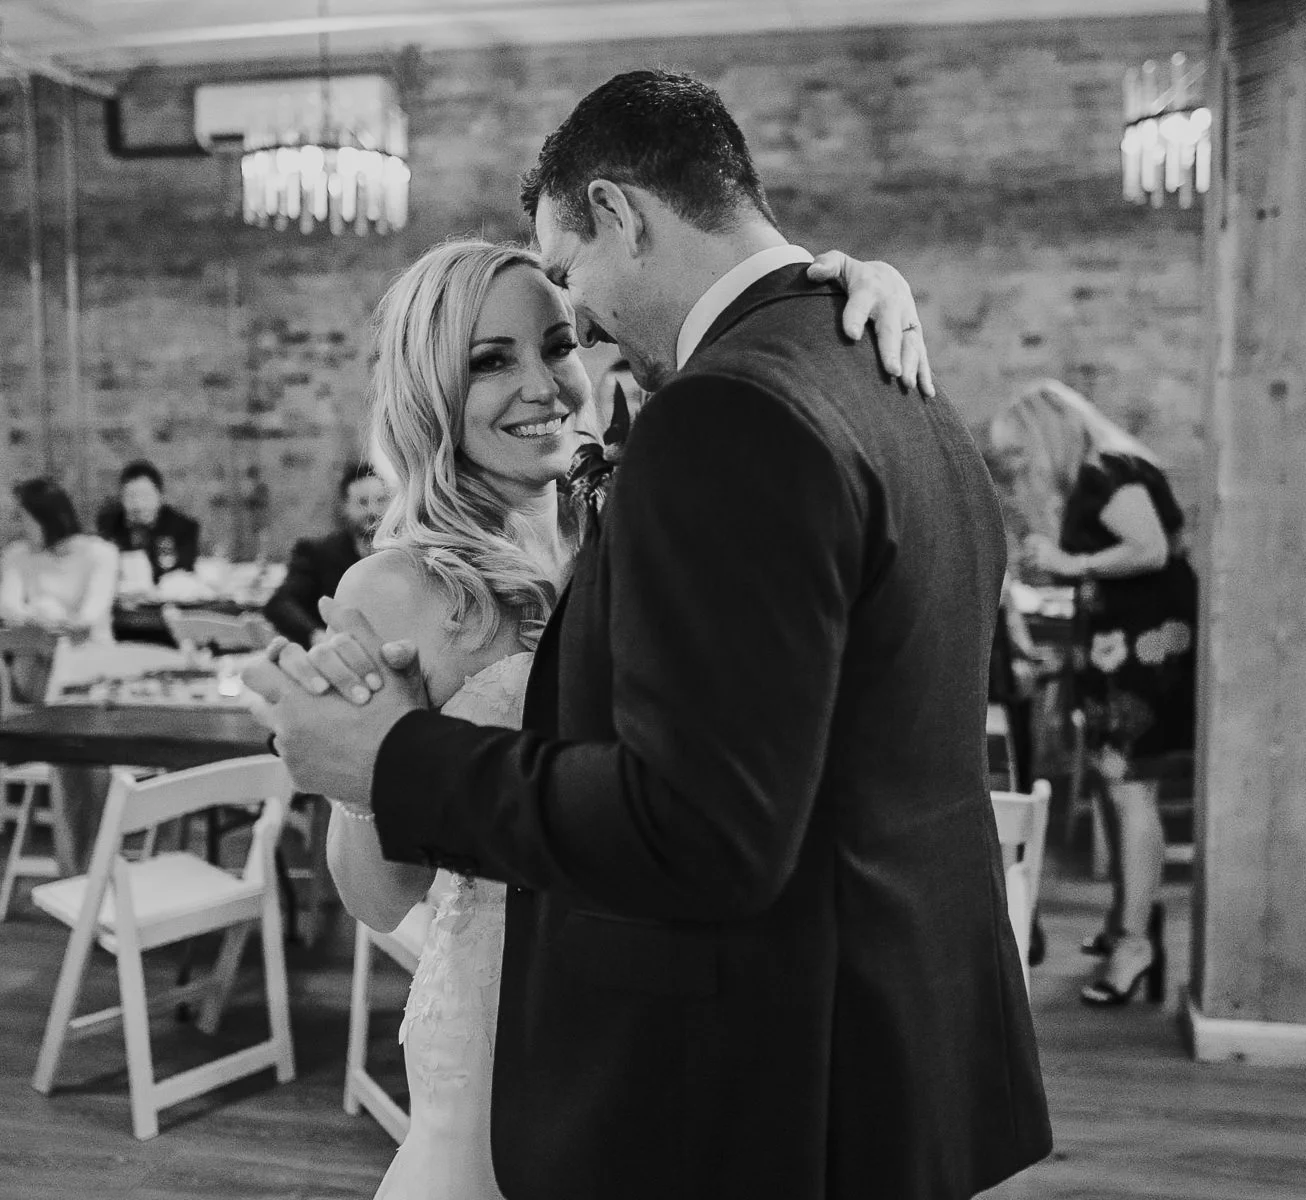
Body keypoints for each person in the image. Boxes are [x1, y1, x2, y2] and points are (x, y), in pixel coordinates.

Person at [248, 69, 1048, 1200]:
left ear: (620, 214)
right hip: (785, 1037)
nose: (570, 359)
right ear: (430, 389)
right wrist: (358, 774)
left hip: (750, 1050)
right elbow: (388, 894)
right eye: (493, 359)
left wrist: (396, 759)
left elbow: (700, 816)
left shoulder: (702, 436)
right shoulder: (882, 378)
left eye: (565, 319)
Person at [988, 378, 1196, 1009]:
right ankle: (1123, 921)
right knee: (1114, 782)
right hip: (1116, 648)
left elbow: (1151, 550)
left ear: (1044, 433)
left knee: (1133, 788)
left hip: (1144, 652)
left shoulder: (1110, 472)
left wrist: (1068, 563)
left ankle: (1136, 941)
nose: (1015, 468)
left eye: (1018, 453)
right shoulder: (1091, 477)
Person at [261, 464, 392, 646]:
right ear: (344, 507)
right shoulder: (317, 554)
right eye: (362, 502)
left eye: (381, 500)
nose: (373, 511)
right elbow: (281, 604)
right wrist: (318, 636)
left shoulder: (403, 553)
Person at [0, 478, 120, 643]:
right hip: (35, 653)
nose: (18, 526)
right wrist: (42, 613)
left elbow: (90, 617)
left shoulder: (101, 554)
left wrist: (50, 616)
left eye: (22, 518)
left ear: (47, 519)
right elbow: (7, 608)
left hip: (89, 655)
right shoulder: (16, 555)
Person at [95, 459, 201, 582]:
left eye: (145, 496)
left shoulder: (182, 527)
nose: (138, 505)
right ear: (121, 498)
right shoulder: (110, 524)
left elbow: (184, 569)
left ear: (160, 496)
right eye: (131, 496)